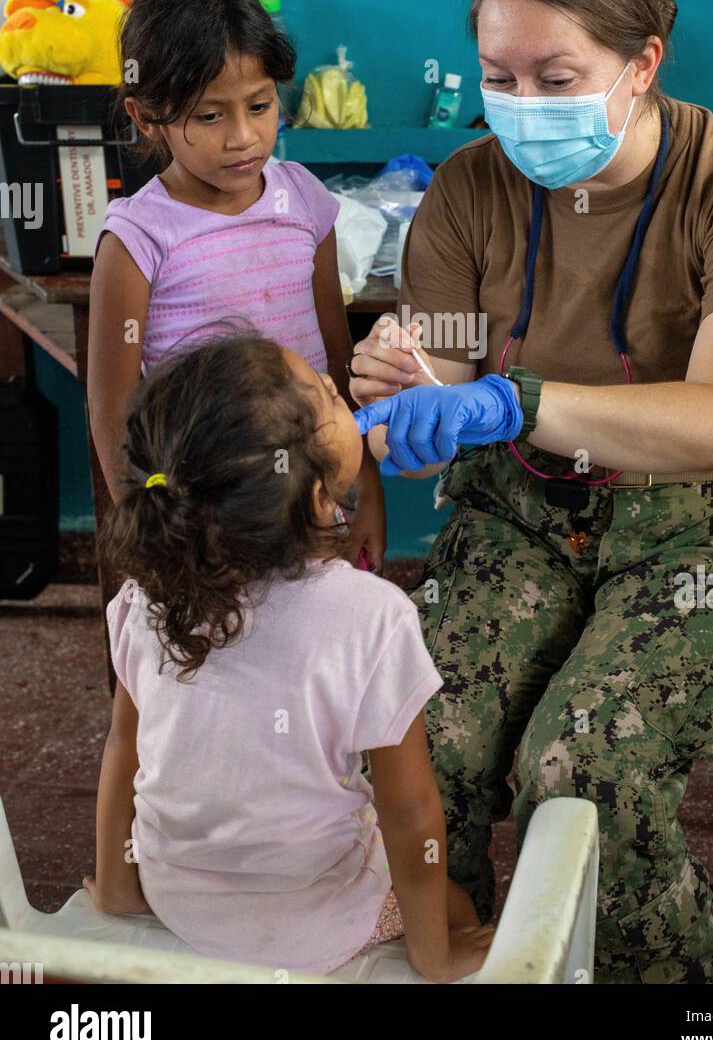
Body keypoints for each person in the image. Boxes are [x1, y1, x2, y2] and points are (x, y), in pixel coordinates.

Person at [348, 0, 713, 984]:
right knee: (418, 730)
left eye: (555, 73)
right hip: (520, 514)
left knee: (582, 757)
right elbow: (432, 408)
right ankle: (468, 954)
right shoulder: (466, 194)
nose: (522, 107)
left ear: (641, 64)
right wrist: (406, 396)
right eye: (497, 75)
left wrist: (505, 401)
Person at [83, 332, 495, 981]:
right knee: (460, 903)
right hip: (316, 926)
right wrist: (437, 954)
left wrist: (116, 889)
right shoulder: (373, 616)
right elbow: (409, 809)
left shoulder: (147, 597)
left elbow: (121, 747)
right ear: (310, 497)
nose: (338, 388)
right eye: (329, 393)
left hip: (175, 900)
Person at [87, 0, 384, 568]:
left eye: (260, 105)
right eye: (208, 116)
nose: (244, 137)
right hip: (205, 515)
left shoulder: (302, 199)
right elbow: (113, 409)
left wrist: (366, 487)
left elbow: (334, 357)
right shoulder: (138, 239)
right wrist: (147, 532)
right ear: (147, 116)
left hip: (316, 499)